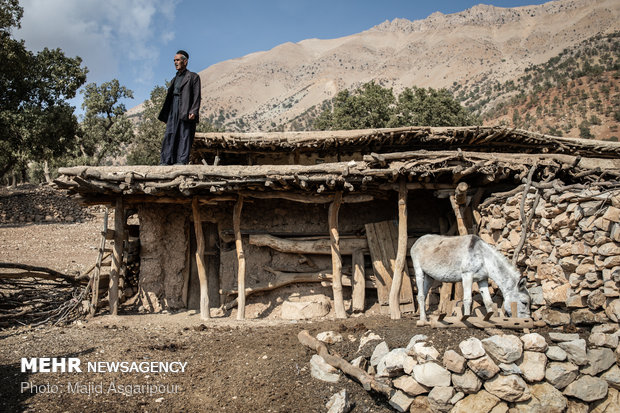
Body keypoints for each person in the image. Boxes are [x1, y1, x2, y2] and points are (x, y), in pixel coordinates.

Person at [158, 50, 201, 165]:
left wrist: (193, 111)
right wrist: (166, 115)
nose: (175, 62)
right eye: (174, 60)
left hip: (186, 108)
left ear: (185, 61)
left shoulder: (193, 77)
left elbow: (197, 96)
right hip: (173, 108)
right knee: (170, 133)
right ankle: (166, 160)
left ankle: (181, 160)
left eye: (177, 60)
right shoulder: (174, 79)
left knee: (184, 134)